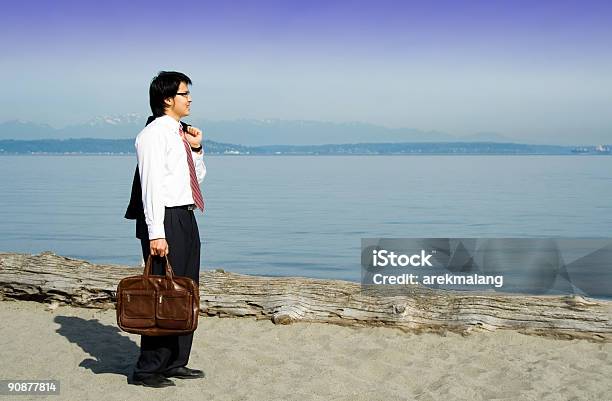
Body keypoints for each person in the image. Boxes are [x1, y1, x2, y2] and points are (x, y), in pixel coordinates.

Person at [125, 71, 206, 388]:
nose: (189, 100)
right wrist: (156, 232)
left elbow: (194, 180)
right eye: (184, 94)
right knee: (159, 293)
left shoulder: (179, 134)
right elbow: (151, 188)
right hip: (164, 219)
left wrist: (196, 149)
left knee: (186, 291)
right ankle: (148, 369)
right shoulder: (153, 135)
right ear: (167, 99)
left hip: (185, 216)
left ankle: (175, 361)